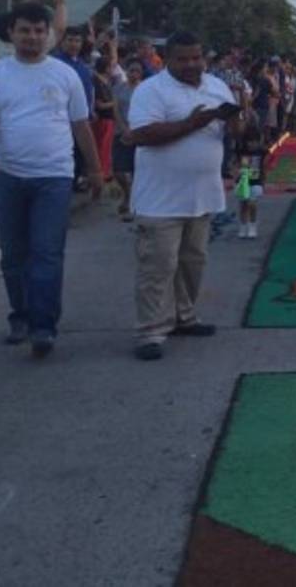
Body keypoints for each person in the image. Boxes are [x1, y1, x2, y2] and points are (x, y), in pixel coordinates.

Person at [0, 2, 103, 358]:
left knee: (47, 253)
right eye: (24, 31)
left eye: (38, 31)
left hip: (54, 175)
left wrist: (95, 169)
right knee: (14, 255)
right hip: (6, 174)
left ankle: (43, 325)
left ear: (48, 34)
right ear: (11, 33)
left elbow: (81, 125)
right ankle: (20, 314)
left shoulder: (65, 75)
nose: (32, 38)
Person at [127, 32, 238, 361]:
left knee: (193, 262)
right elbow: (143, 135)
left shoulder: (217, 87)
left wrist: (236, 121)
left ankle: (184, 317)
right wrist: (194, 122)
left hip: (202, 195)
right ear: (167, 59)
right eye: (183, 59)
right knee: (158, 266)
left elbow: (235, 133)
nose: (192, 65)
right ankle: (151, 330)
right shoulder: (151, 90)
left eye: (197, 57)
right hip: (159, 200)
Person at [112, 59, 144, 222]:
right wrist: (124, 128)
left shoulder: (144, 90)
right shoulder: (119, 88)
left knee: (135, 169)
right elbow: (116, 109)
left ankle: (134, 203)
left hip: (138, 132)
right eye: (131, 70)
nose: (133, 74)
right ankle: (127, 192)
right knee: (117, 169)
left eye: (137, 71)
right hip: (120, 131)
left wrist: (134, 130)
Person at [234, 89, 267, 240]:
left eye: (255, 142)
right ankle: (243, 225)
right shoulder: (241, 151)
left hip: (256, 180)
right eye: (250, 142)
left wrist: (264, 180)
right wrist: (236, 174)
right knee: (243, 204)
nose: (253, 145)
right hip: (243, 180)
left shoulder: (261, 152)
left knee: (252, 203)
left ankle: (253, 225)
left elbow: (264, 166)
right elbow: (236, 165)